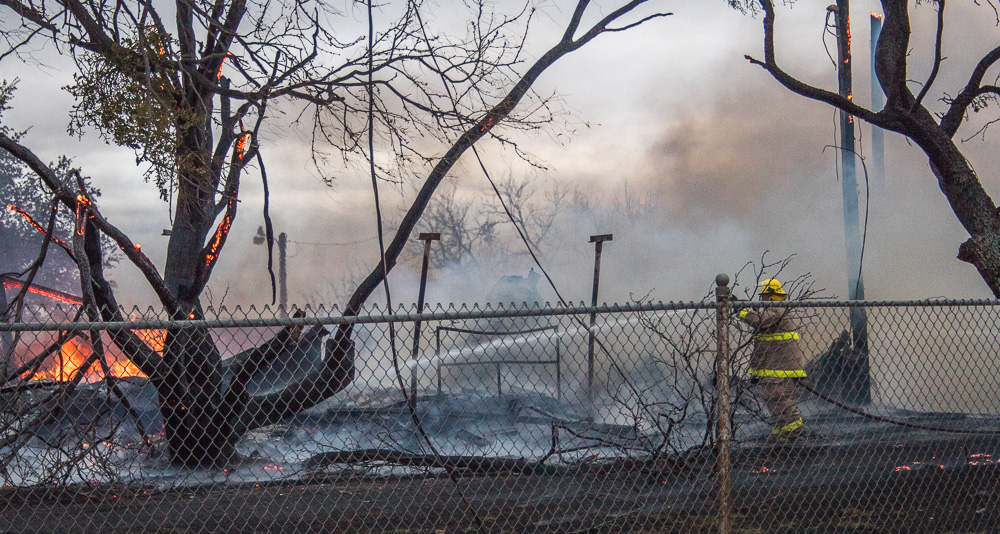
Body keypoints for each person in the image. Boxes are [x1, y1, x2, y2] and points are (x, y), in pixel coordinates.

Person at [737, 278, 808, 443]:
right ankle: (781, 429)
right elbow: (761, 347)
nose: (761, 299)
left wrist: (740, 311)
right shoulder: (773, 310)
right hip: (775, 366)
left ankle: (795, 429)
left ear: (771, 296)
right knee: (772, 399)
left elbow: (759, 320)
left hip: (781, 367)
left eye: (763, 295)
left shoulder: (777, 309)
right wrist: (755, 372)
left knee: (779, 397)